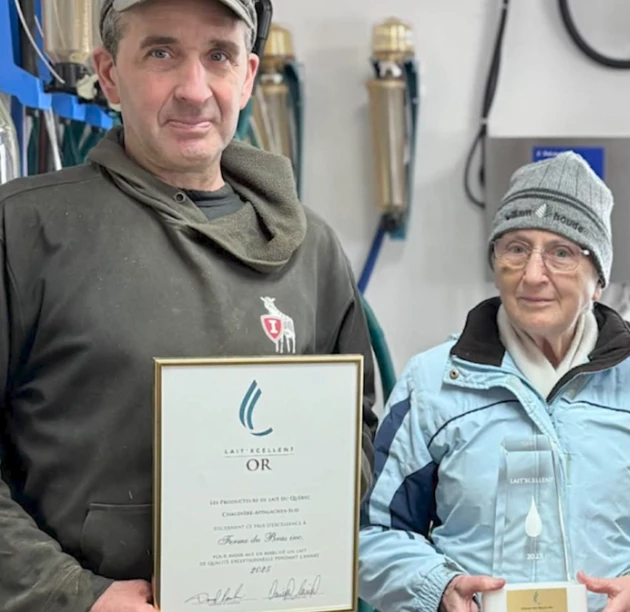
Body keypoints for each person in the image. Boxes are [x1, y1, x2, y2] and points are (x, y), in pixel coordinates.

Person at [0, 0, 377, 610]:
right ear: (109, 74)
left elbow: (356, 429)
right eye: (161, 53)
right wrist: (73, 594)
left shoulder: (312, 251)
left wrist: (303, 530)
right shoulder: (23, 230)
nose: (194, 90)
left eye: (219, 56)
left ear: (247, 77)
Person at [357, 151, 630, 612]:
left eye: (561, 253)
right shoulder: (432, 385)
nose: (533, 275)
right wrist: (438, 587)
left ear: (598, 279)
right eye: (515, 248)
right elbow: (374, 532)